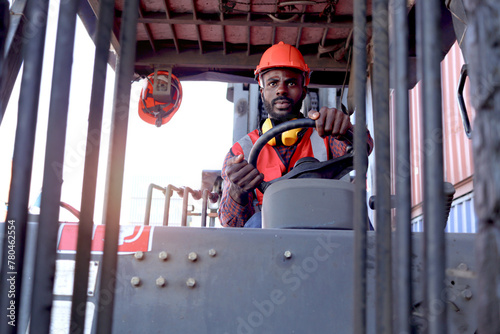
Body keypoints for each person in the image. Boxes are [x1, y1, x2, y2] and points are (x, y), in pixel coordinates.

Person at [218, 41, 373, 228]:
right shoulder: (241, 151)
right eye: (273, 83)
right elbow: (232, 225)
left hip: (326, 228)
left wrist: (345, 129)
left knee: (358, 219)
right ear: (262, 92)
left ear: (304, 91)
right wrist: (236, 191)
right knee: (258, 222)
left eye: (291, 82)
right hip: (269, 241)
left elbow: (363, 146)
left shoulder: (327, 135)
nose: (281, 89)